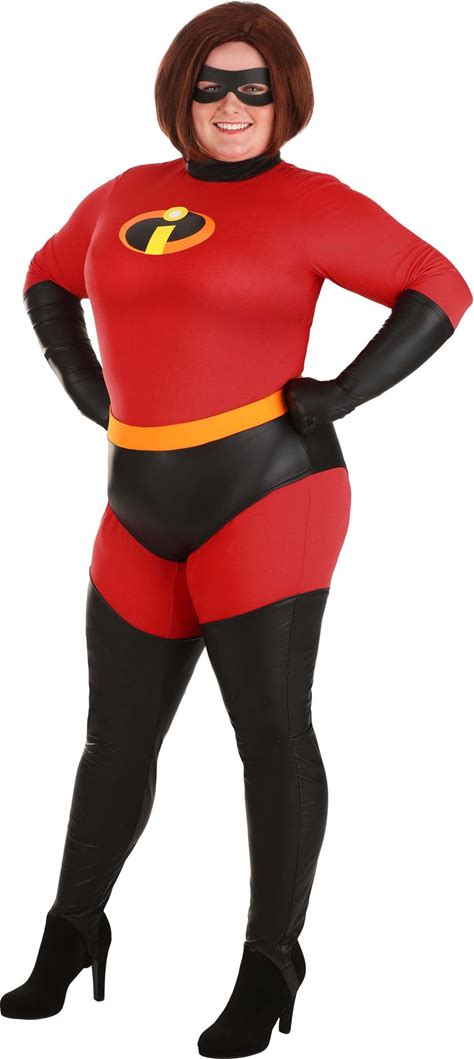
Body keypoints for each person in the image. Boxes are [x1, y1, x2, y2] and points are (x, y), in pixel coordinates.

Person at [1, 2, 471, 1055]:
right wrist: (79, 377)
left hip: (269, 496)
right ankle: (73, 932)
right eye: (210, 84)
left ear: (285, 97)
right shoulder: (124, 194)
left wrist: (345, 393)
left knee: (269, 734)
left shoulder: (314, 203)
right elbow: (45, 275)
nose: (230, 104)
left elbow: (441, 284)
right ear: (180, 92)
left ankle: (271, 961)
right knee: (113, 741)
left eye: (254, 86)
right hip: (137, 505)